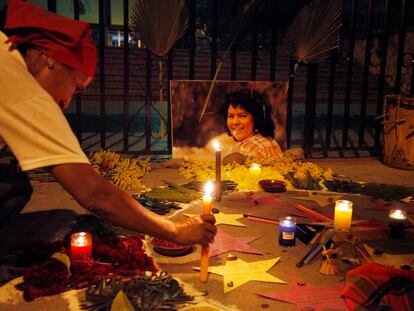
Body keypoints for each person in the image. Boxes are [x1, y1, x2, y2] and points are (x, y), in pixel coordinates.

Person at [0, 0, 216, 247]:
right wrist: (175, 230)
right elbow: (94, 194)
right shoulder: (22, 88)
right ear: (50, 60)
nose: (66, 102)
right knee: (11, 187)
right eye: (76, 88)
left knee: (13, 185)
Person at [221, 89, 283, 164]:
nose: (235, 122)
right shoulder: (264, 140)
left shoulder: (253, 149)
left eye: (242, 116)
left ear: (257, 118)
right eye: (231, 116)